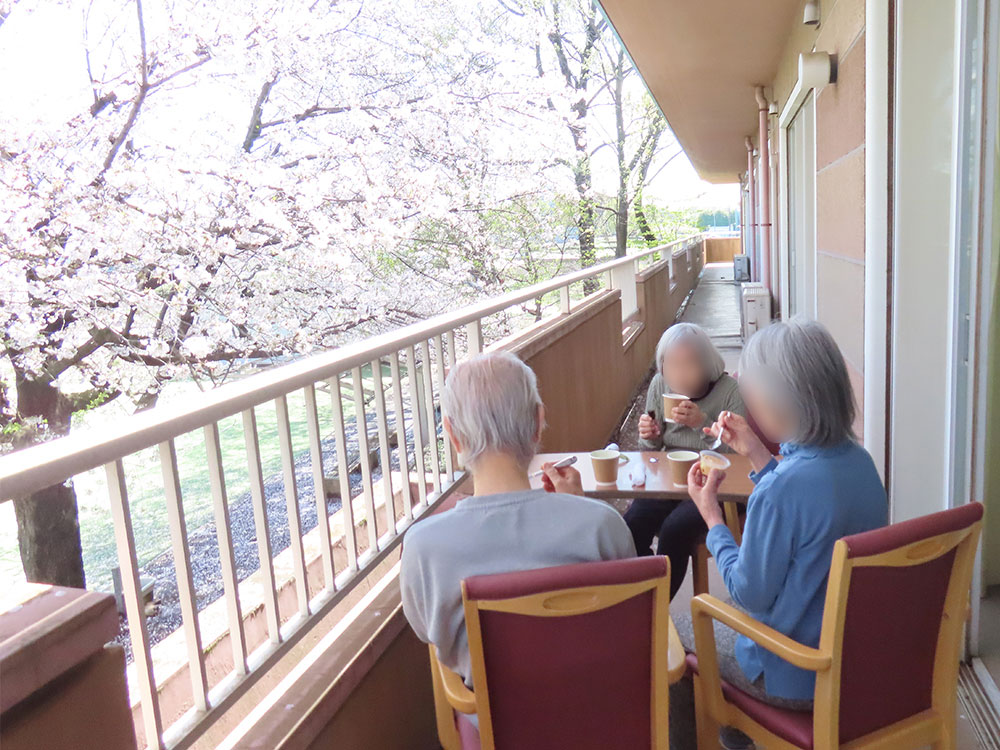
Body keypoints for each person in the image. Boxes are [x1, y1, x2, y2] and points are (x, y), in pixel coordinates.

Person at [681, 318, 887, 747]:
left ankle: (735, 738)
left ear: (779, 404)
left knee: (680, 626)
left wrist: (713, 519)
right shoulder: (861, 463)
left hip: (794, 673)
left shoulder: (781, 490)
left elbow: (747, 593)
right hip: (856, 661)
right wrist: (758, 454)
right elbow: (807, 508)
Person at [400, 351, 635, 697]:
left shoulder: (422, 547)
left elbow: (429, 634)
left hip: (495, 728)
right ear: (538, 422)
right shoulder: (600, 525)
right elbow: (626, 615)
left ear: (452, 435)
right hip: (598, 711)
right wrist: (578, 509)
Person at [624, 322, 745, 597]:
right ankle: (642, 597)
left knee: (674, 530)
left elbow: (740, 457)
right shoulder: (659, 385)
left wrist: (702, 424)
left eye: (689, 364)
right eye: (672, 365)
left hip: (717, 486)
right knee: (632, 522)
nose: (679, 374)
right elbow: (651, 450)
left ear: (708, 364)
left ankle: (657, 608)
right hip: (672, 479)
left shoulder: (730, 392)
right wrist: (650, 436)